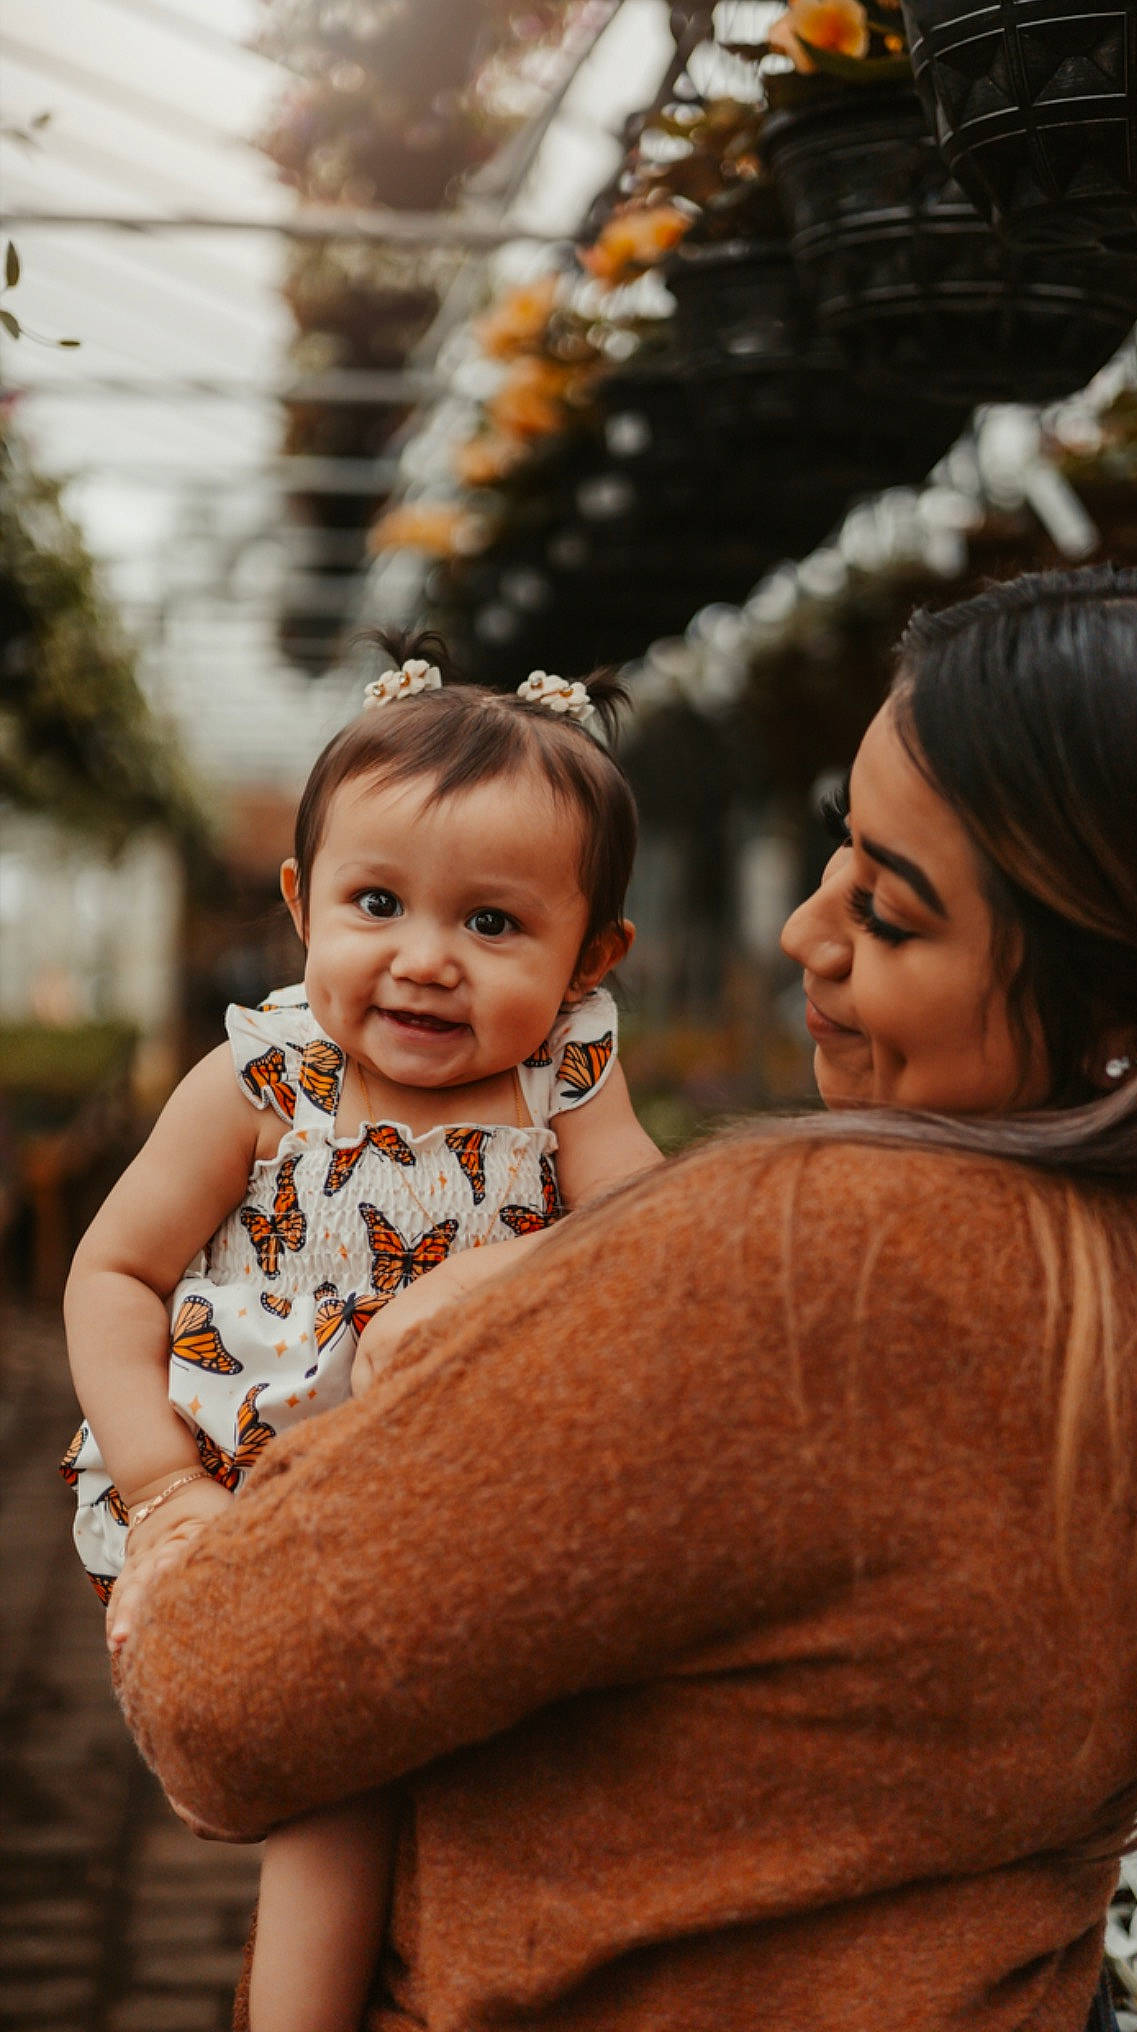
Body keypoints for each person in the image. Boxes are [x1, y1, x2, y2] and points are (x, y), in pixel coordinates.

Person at [111, 569, 1137, 2031]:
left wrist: (337, 1403)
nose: (803, 935)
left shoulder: (812, 1273)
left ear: (1121, 1016)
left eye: (890, 917)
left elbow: (223, 1696)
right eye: (842, 849)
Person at [63, 638, 662, 2032]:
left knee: (510, 1778)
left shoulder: (565, 1084)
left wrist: (532, 1259)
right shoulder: (262, 1079)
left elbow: (648, 1246)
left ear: (592, 959)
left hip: (476, 1498)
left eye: (493, 926)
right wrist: (161, 1488)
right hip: (251, 1503)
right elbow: (113, 1274)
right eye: (377, 903)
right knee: (340, 1800)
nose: (425, 962)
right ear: (301, 904)